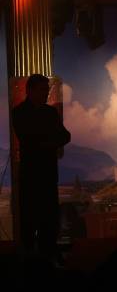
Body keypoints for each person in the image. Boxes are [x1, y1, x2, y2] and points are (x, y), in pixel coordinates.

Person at [12, 74, 71, 262]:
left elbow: (65, 136)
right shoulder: (19, 112)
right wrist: (49, 140)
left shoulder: (50, 113)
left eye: (47, 90)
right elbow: (30, 139)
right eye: (42, 89)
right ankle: (29, 263)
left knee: (49, 221)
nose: (46, 93)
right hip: (30, 176)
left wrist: (45, 141)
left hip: (47, 175)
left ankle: (48, 258)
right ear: (30, 90)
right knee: (29, 221)